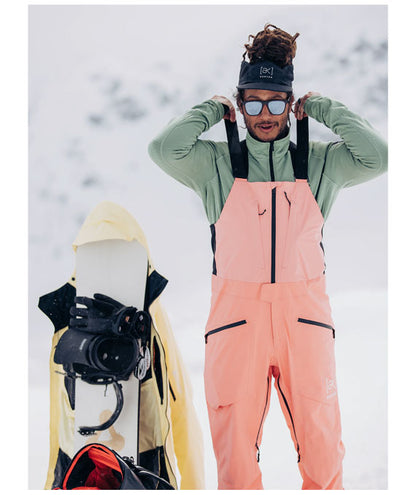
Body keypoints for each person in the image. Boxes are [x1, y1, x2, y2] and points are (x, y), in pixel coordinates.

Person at [148, 24, 387, 490]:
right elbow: (163, 149)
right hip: (236, 324)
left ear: (289, 104)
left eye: (276, 102)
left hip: (305, 322)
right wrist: (211, 108)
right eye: (252, 102)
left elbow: (378, 157)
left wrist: (321, 107)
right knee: (235, 454)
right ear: (241, 105)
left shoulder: (318, 163)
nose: (264, 114)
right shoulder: (217, 165)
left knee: (322, 447)